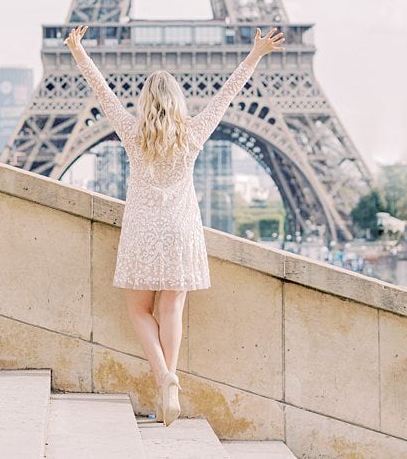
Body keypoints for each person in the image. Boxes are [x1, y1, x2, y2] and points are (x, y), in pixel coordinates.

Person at [65, 22, 286, 424]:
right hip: (181, 230)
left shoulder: (133, 132)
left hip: (143, 230)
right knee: (172, 308)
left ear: (147, 101)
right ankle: (170, 382)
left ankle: (164, 376)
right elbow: (226, 96)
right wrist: (255, 54)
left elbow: (103, 94)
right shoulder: (193, 133)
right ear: (178, 102)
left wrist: (79, 52)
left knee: (138, 311)